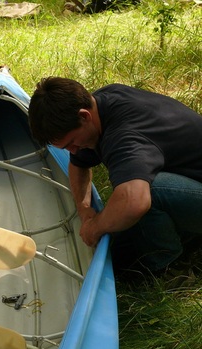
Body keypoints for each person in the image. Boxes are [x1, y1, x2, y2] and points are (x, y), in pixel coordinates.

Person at [28, 77, 202, 273]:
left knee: (145, 192)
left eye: (72, 143)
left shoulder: (124, 138)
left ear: (84, 116)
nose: (73, 151)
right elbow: (79, 165)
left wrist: (94, 228)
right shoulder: (101, 103)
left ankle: (169, 267)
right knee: (122, 232)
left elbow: (135, 202)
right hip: (192, 176)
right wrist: (84, 208)